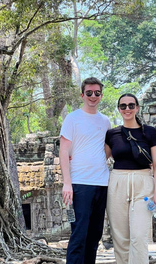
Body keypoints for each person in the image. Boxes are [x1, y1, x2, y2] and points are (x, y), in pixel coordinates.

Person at [104, 93, 156, 264]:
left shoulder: (150, 132)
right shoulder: (112, 134)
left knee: (138, 236)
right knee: (121, 239)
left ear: (137, 108)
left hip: (144, 186)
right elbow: (100, 159)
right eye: (123, 106)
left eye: (131, 105)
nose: (127, 109)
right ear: (119, 109)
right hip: (117, 184)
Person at [59, 77, 112, 264]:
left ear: (101, 95)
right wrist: (67, 183)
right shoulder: (72, 118)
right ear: (82, 95)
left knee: (95, 234)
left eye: (97, 93)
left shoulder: (105, 121)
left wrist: (95, 161)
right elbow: (63, 151)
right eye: (89, 93)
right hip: (80, 183)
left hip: (102, 183)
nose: (93, 96)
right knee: (79, 233)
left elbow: (106, 149)